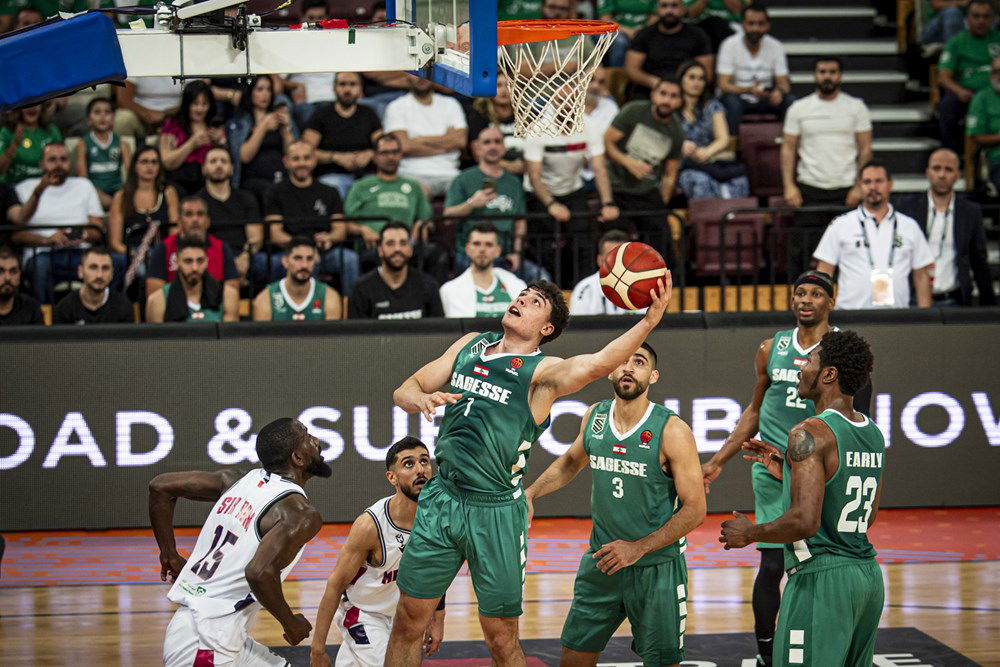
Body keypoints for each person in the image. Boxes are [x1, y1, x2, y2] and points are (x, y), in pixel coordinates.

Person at [384, 272, 670, 666]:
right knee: (407, 621)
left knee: (501, 638)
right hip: (443, 498)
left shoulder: (542, 373)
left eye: (536, 302)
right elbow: (406, 388)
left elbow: (596, 365)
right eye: (522, 295)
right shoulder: (470, 344)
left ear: (546, 328)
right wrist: (419, 398)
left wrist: (648, 321)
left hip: (496, 512)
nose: (521, 300)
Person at [701, 270, 864, 665]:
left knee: (819, 557)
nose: (805, 300)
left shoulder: (841, 351)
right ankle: (766, 650)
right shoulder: (770, 348)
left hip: (822, 466)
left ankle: (825, 638)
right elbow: (754, 411)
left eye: (815, 294)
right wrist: (718, 461)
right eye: (799, 293)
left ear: (831, 301)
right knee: (773, 561)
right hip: (771, 466)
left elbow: (855, 417)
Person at [525, 342, 706, 666]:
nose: (628, 368)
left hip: (655, 567)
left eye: (639, 362)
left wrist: (637, 548)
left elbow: (695, 509)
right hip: (602, 562)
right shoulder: (595, 416)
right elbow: (570, 462)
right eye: (622, 361)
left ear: (653, 376)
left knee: (663, 662)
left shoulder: (672, 430)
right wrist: (530, 493)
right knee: (573, 657)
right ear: (610, 371)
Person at [720, 330, 884, 667]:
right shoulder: (872, 432)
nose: (800, 368)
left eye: (809, 361)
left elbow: (804, 522)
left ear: (828, 374)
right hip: (867, 579)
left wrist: (749, 533)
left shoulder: (809, 432)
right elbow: (866, 516)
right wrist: (791, 470)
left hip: (821, 581)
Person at [149, 417, 329, 666]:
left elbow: (160, 486)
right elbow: (259, 573)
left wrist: (168, 554)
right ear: (297, 458)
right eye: (307, 437)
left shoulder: (237, 480)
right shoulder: (300, 514)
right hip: (207, 642)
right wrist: (290, 622)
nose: (316, 440)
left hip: (212, 632)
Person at [310, 437, 445, 666]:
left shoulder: (437, 517)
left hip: (401, 614)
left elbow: (437, 571)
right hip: (363, 613)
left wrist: (437, 617)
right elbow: (335, 584)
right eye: (409, 464)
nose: (420, 469)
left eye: (424, 461)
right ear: (392, 477)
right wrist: (317, 649)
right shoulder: (371, 525)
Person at [814, 162, 934, 310]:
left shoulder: (909, 226)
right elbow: (824, 271)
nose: (873, 187)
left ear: (890, 184)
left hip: (898, 316)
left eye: (879, 181)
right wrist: (822, 314)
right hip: (850, 314)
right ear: (859, 186)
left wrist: (925, 316)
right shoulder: (841, 224)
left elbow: (921, 275)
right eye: (867, 182)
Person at [524, 109, 619, 285]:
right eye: (560, 101)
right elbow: (534, 175)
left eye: (570, 100)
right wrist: (551, 204)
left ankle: (582, 288)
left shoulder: (590, 126)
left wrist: (608, 202)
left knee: (584, 242)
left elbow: (599, 168)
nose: (566, 104)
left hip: (573, 189)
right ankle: (546, 291)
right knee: (545, 248)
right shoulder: (538, 128)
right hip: (539, 192)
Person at [445, 127, 549, 284]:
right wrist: (471, 204)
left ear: (504, 147)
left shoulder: (513, 182)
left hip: (504, 255)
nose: (492, 146)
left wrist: (516, 253)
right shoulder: (463, 179)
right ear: (477, 148)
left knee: (542, 279)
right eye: (487, 142)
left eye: (497, 142)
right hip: (471, 255)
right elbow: (447, 217)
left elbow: (520, 222)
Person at [896, 148, 996, 307]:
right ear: (927, 172)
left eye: (948, 169)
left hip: (954, 300)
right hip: (913, 299)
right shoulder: (908, 208)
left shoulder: (970, 212)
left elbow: (979, 261)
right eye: (936, 168)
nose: (942, 175)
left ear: (958, 175)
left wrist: (989, 306)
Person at [12, 142, 106, 303]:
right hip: (41, 254)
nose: (58, 164)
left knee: (118, 262)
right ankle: (45, 316)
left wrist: (80, 234)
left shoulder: (84, 185)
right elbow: (16, 235)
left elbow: (97, 230)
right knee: (40, 267)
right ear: (41, 164)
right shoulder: (24, 188)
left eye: (63, 159)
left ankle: (104, 313)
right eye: (52, 159)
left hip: (80, 254)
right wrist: (47, 240)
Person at [604, 78, 685, 263]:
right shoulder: (633, 111)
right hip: (616, 188)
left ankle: (666, 279)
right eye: (663, 94)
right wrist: (628, 162)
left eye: (673, 96)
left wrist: (661, 204)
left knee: (663, 242)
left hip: (647, 191)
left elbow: (670, 175)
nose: (667, 100)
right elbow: (607, 142)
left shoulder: (676, 131)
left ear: (680, 101)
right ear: (653, 95)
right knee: (614, 240)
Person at [262, 141, 359, 293]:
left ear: (314, 160)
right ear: (286, 162)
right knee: (300, 262)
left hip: (325, 252)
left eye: (307, 158)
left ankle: (351, 306)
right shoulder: (275, 192)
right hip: (291, 252)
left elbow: (340, 230)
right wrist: (304, 249)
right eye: (296, 159)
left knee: (350, 259)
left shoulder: (330, 191)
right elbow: (275, 234)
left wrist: (330, 238)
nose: (302, 163)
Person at [342, 134, 442, 280]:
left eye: (395, 152)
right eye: (385, 153)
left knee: (436, 253)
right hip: (374, 246)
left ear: (401, 155)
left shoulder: (413, 186)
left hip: (407, 246)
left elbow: (428, 221)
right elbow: (344, 223)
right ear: (375, 156)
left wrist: (421, 225)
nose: (390, 157)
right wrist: (362, 229)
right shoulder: (361, 186)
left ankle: (434, 294)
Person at [782, 57, 872, 212]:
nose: (827, 76)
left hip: (847, 188)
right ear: (815, 75)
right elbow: (788, 148)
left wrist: (859, 186)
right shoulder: (798, 108)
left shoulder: (857, 107)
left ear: (840, 75)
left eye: (832, 72)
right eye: (822, 72)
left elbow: (865, 149)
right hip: (809, 186)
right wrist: (789, 186)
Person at [676, 59, 750, 199]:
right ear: (681, 80)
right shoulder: (672, 107)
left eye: (701, 79)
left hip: (710, 161)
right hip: (682, 164)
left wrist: (707, 152)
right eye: (692, 77)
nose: (696, 83)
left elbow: (723, 139)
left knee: (740, 182)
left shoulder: (713, 106)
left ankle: (732, 213)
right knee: (701, 182)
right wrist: (679, 145)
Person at [383, 74, 467, 197]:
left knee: (472, 193)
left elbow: (460, 141)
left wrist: (420, 139)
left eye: (425, 72)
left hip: (450, 173)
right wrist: (445, 143)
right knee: (415, 195)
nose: (421, 77)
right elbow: (404, 147)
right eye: (416, 73)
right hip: (411, 174)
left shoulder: (451, 104)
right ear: (407, 76)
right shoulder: (396, 107)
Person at [302, 72, 382, 198]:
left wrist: (370, 154)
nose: (347, 89)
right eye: (342, 84)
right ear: (334, 88)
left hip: (365, 175)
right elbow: (306, 150)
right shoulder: (321, 114)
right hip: (331, 175)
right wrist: (335, 157)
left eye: (353, 84)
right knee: (333, 189)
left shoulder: (369, 114)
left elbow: (383, 146)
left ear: (360, 88)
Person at [716, 4, 793, 134]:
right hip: (738, 97)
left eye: (760, 24)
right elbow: (723, 85)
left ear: (768, 26)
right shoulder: (729, 45)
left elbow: (784, 84)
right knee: (731, 103)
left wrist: (778, 91)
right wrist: (749, 90)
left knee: (790, 101)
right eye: (751, 23)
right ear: (743, 25)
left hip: (766, 98)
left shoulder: (776, 46)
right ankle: (733, 145)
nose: (756, 28)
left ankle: (786, 142)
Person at [936, 0, 1000, 155]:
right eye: (976, 16)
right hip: (967, 94)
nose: (981, 21)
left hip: (995, 92)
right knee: (947, 106)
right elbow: (943, 77)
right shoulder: (956, 42)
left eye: (986, 17)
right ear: (967, 18)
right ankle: (953, 155)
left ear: (992, 19)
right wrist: (959, 91)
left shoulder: (997, 39)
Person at [145, 196, 240, 298]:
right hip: (174, 306)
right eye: (189, 214)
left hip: (213, 305)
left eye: (200, 214)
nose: (195, 219)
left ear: (208, 221)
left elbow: (232, 291)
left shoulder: (222, 248)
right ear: (179, 221)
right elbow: (154, 294)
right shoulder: (163, 248)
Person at [108, 146, 180, 280]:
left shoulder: (169, 193)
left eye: (154, 162)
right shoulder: (121, 196)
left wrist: (160, 254)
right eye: (144, 162)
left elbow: (174, 233)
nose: (149, 166)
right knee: (140, 269)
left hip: (161, 252)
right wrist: (135, 254)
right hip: (132, 253)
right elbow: (115, 243)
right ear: (134, 166)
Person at [348, 222, 444, 320]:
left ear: (411, 249)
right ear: (380, 250)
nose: (397, 249)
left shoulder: (429, 285)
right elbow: (356, 329)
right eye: (390, 243)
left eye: (403, 243)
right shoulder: (360, 289)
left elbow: (438, 328)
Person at [225, 76, 298, 204]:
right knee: (271, 192)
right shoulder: (239, 123)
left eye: (268, 89)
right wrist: (263, 126)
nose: (265, 94)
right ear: (250, 93)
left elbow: (294, 155)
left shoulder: (280, 118)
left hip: (281, 178)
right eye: (260, 89)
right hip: (252, 182)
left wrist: (286, 129)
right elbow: (244, 156)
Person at [196, 147, 262, 283]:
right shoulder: (197, 202)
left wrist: (245, 257)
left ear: (232, 168)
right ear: (203, 168)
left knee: (270, 263)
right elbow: (195, 238)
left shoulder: (246, 198)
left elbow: (255, 237)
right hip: (209, 253)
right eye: (213, 161)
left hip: (243, 253)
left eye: (223, 161)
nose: (219, 165)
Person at [625, 0, 713, 100]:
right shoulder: (644, 35)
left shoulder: (697, 35)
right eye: (664, 6)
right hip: (650, 89)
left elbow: (707, 72)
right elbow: (632, 70)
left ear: (682, 9)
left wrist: (684, 85)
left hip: (686, 91)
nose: (669, 10)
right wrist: (657, 83)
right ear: (657, 9)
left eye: (674, 6)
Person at [439, 223, 529, 318]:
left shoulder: (517, 286)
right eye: (477, 244)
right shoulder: (449, 291)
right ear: (467, 249)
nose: (482, 249)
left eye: (489, 245)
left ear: (498, 251)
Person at [146, 235, 239, 322]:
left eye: (200, 260)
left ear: (207, 261)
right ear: (177, 262)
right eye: (188, 261)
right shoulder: (157, 301)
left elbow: (229, 334)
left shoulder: (228, 296)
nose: (195, 268)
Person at [159, 80, 226, 196]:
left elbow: (226, 162)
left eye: (204, 104)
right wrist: (192, 144)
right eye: (195, 104)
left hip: (207, 182)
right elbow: (167, 162)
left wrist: (221, 142)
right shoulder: (173, 125)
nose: (200, 109)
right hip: (179, 180)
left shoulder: (215, 126)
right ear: (187, 104)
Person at [252, 236, 342, 321]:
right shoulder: (265, 299)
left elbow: (332, 333)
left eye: (309, 259)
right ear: (285, 261)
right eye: (298, 258)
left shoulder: (329, 297)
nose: (304, 265)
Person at [72, 98, 130, 211]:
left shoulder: (122, 144)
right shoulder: (82, 144)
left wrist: (121, 196)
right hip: (93, 192)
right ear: (89, 119)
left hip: (118, 193)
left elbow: (132, 174)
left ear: (113, 118)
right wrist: (99, 196)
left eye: (107, 112)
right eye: (97, 112)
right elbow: (83, 179)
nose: (103, 116)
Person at [569, 230, 644, 315]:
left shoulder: (642, 289)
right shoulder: (585, 289)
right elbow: (578, 323)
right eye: (610, 256)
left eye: (621, 255)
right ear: (599, 260)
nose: (617, 261)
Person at [53, 246, 134, 325]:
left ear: (112, 273)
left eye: (105, 268)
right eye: (93, 267)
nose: (99, 275)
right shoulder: (65, 308)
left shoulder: (123, 306)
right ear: (80, 271)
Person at [0, 103, 62, 185]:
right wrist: (14, 144)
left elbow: (62, 164)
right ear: (19, 109)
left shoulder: (52, 131)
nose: (32, 108)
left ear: (42, 107)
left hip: (45, 185)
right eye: (27, 105)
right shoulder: (6, 132)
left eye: (36, 104)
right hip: (14, 185)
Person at [967, 56, 1000, 194]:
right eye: (996, 71)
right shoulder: (981, 98)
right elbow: (976, 137)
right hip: (996, 159)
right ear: (991, 74)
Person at [599, 0, 657, 67]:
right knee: (620, 42)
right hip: (616, 29)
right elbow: (605, 19)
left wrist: (643, 29)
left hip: (644, 29)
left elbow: (655, 16)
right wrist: (628, 31)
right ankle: (617, 72)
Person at [0, 247, 43, 326]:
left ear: (19, 275)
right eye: (1, 271)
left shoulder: (31, 308)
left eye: (13, 271)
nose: (8, 278)